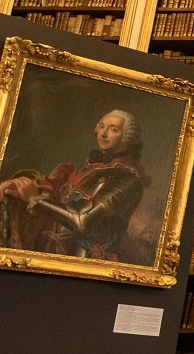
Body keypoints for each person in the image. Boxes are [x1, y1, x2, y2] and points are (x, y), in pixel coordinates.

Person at [0, 109, 152, 264]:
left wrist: (34, 199)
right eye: (101, 126)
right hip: (53, 253)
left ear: (127, 138)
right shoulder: (90, 168)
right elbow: (52, 190)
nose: (103, 133)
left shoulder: (127, 180)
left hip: (86, 261)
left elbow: (81, 220)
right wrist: (14, 184)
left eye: (113, 129)